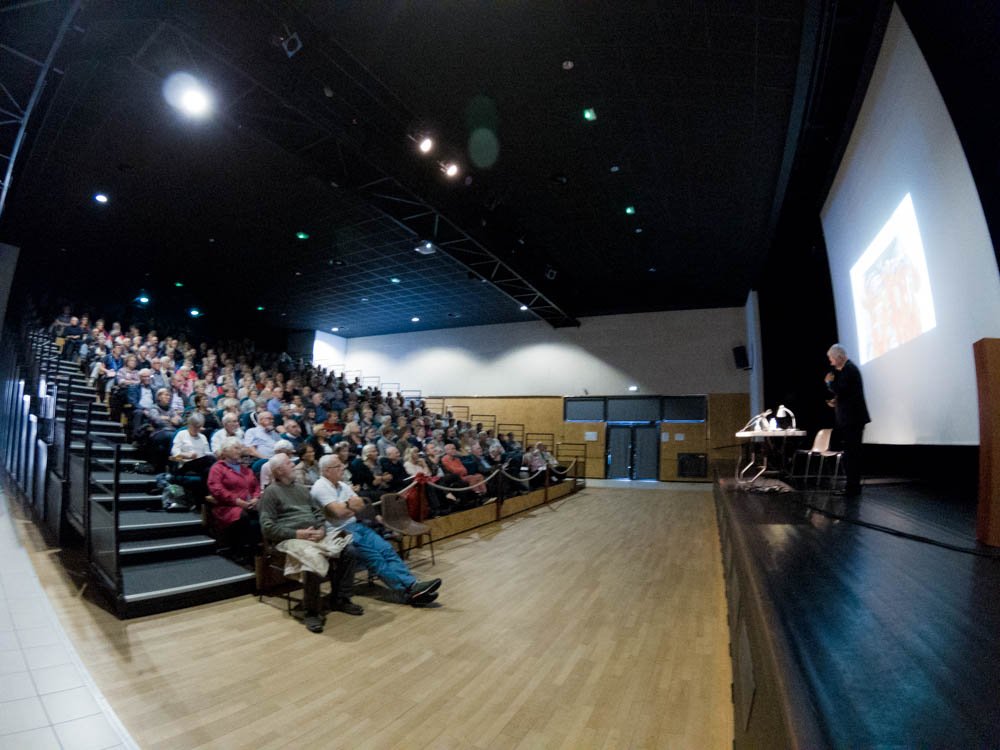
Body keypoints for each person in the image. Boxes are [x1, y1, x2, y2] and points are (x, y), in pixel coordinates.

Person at [310, 455, 440, 606]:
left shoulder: (342, 485)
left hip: (356, 526)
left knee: (387, 550)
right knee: (375, 558)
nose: (343, 468)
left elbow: (360, 505)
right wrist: (349, 506)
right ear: (327, 470)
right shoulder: (320, 487)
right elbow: (337, 512)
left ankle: (412, 586)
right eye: (338, 466)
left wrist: (348, 507)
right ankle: (410, 589)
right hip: (339, 532)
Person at [259, 453, 361, 633]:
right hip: (290, 538)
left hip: (314, 534)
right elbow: (267, 528)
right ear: (279, 470)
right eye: (289, 463)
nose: (294, 465)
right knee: (312, 558)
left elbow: (319, 514)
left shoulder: (301, 489)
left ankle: (340, 599)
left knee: (349, 549)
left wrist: (321, 529)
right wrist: (297, 533)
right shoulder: (270, 492)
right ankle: (311, 612)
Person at [824, 343, 870, 497]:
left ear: (839, 357)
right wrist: (836, 401)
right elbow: (847, 393)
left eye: (831, 358)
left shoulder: (849, 370)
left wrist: (829, 382)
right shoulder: (846, 370)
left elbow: (841, 388)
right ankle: (851, 488)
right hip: (850, 419)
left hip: (853, 419)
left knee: (852, 455)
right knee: (850, 454)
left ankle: (853, 489)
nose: (830, 361)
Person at [206, 436, 261, 564]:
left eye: (240, 448)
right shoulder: (218, 468)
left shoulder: (245, 469)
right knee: (243, 516)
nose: (239, 451)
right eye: (236, 448)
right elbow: (217, 489)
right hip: (228, 506)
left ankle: (259, 551)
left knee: (266, 512)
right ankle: (240, 551)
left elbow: (256, 486)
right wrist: (237, 501)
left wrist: (256, 498)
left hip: (249, 504)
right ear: (225, 452)